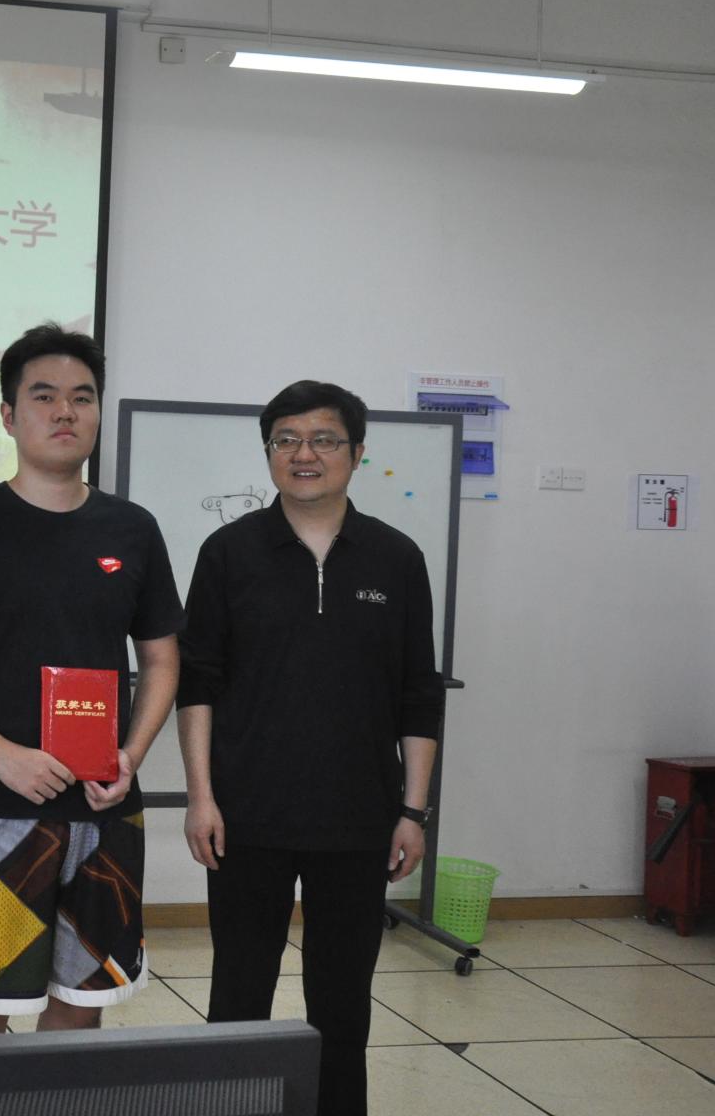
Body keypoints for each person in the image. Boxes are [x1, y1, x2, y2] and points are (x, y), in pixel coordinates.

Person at [0, 322, 182, 1036]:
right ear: (9, 416)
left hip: (106, 809)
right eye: (44, 396)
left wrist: (131, 755)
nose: (65, 411)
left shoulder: (133, 529)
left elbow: (163, 659)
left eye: (83, 396)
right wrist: (1, 754)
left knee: (82, 1005)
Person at [177, 381, 443, 1116]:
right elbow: (197, 685)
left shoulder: (396, 558)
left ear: (357, 453)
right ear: (269, 453)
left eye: (324, 439)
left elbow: (418, 693)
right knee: (237, 1000)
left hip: (359, 821)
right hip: (246, 817)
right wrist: (200, 797)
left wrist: (412, 811)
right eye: (286, 439)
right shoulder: (228, 553)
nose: (305, 454)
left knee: (343, 1008)